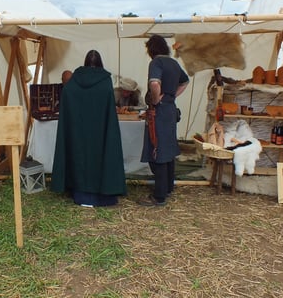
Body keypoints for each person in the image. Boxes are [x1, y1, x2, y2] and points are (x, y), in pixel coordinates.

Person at [51, 50, 127, 206]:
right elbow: (109, 104)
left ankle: (80, 193)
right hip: (100, 132)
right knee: (101, 157)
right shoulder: (105, 81)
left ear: (85, 63)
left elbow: (67, 93)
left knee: (79, 157)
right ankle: (103, 192)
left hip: (78, 131)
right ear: (100, 63)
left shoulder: (74, 80)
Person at [139, 34, 189, 207]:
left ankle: (159, 196)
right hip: (170, 111)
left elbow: (154, 84)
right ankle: (167, 188)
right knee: (167, 150)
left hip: (159, 112)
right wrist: (171, 96)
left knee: (157, 150)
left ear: (151, 49)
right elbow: (185, 82)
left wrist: (156, 100)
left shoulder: (156, 62)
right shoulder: (173, 63)